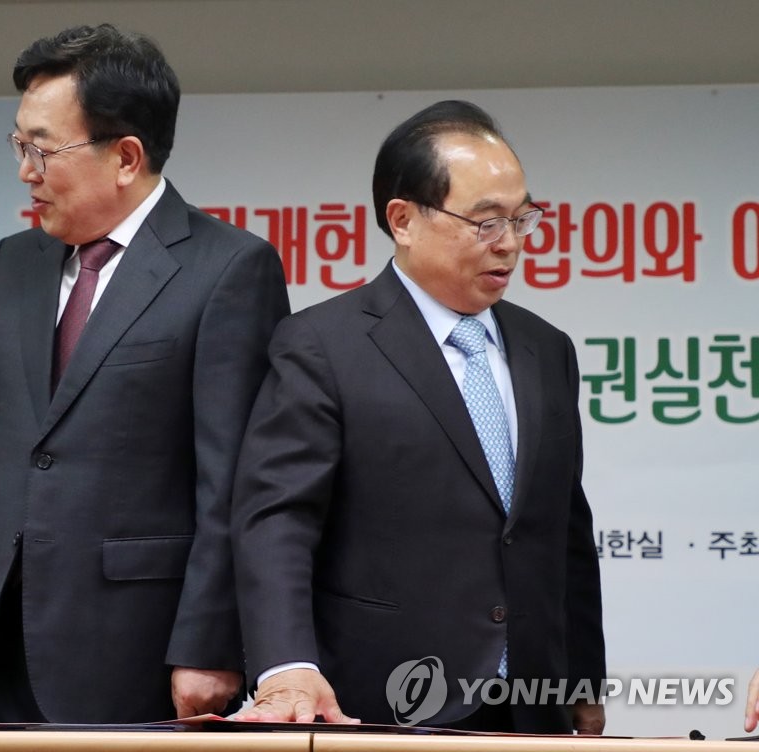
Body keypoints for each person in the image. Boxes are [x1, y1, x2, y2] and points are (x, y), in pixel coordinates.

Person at [0, 23, 290, 724]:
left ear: (125, 157)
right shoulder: (15, 263)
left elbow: (234, 483)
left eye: (42, 149)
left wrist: (210, 645)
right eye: (19, 145)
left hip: (137, 647)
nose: (25, 171)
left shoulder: (229, 269)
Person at [230, 100, 605, 734]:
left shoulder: (547, 349)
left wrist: (584, 681)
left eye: (522, 218)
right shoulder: (323, 345)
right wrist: (286, 667)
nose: (511, 243)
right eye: (486, 222)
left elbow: (565, 528)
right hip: (382, 700)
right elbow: (278, 520)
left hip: (531, 705)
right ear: (403, 220)